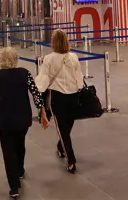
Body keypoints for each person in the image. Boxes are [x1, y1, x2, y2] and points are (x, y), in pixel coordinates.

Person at [0, 47, 49, 199]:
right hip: (23, 118)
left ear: (1, 60)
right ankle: (19, 169)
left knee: (8, 152)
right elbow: (35, 92)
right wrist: (42, 110)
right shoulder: (25, 73)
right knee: (20, 144)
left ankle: (14, 186)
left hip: (6, 119)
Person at [35, 29, 83, 174]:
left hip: (59, 97)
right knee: (67, 127)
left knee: (63, 130)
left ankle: (71, 160)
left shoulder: (49, 58)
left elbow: (43, 80)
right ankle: (60, 147)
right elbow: (79, 77)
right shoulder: (73, 56)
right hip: (74, 96)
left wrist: (37, 92)